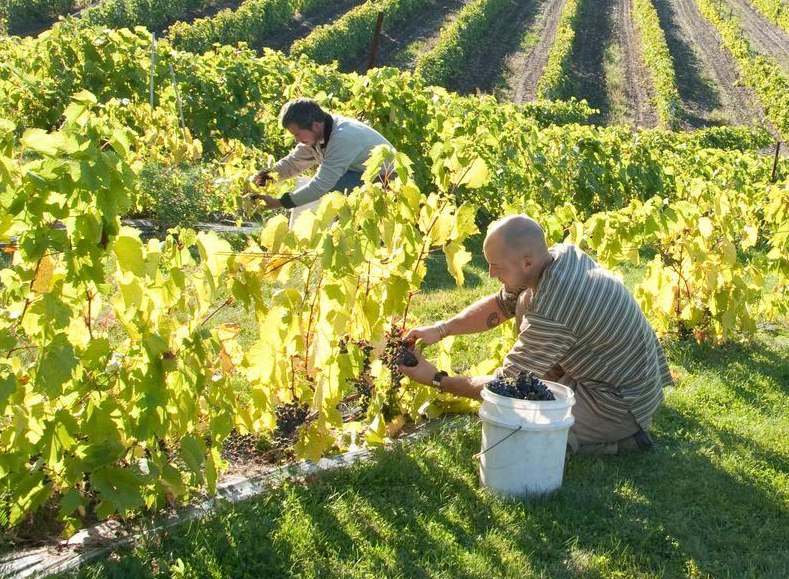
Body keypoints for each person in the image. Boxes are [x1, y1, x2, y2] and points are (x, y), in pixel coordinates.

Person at [398, 214, 674, 455]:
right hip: (613, 376)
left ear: (527, 262)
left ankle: (622, 439)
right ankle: (555, 388)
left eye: (497, 267)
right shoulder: (559, 256)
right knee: (523, 300)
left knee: (524, 429)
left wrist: (435, 380)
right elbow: (500, 304)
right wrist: (441, 329)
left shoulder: (557, 304)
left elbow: (504, 386)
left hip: (619, 402)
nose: (491, 273)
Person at [247, 98, 395, 213]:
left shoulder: (342, 138)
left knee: (333, 188)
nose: (297, 140)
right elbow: (292, 163)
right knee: (328, 189)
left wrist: (278, 203)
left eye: (298, 134)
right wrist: (264, 177)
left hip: (389, 183)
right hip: (361, 176)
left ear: (316, 125)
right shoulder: (317, 135)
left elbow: (321, 186)